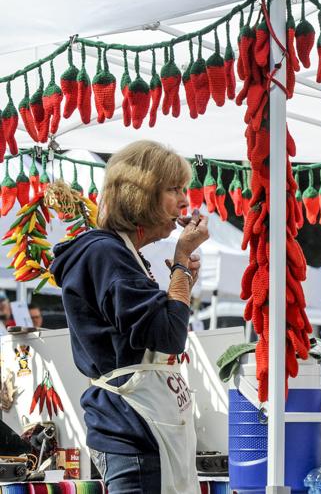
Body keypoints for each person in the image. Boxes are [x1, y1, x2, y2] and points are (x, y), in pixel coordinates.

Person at [50, 140, 209, 494]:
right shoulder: (107, 254)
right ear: (141, 196)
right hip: (131, 429)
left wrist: (181, 278)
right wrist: (181, 263)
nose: (185, 201)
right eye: (173, 190)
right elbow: (168, 335)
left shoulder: (120, 254)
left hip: (141, 427)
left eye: (184, 189)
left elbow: (162, 326)